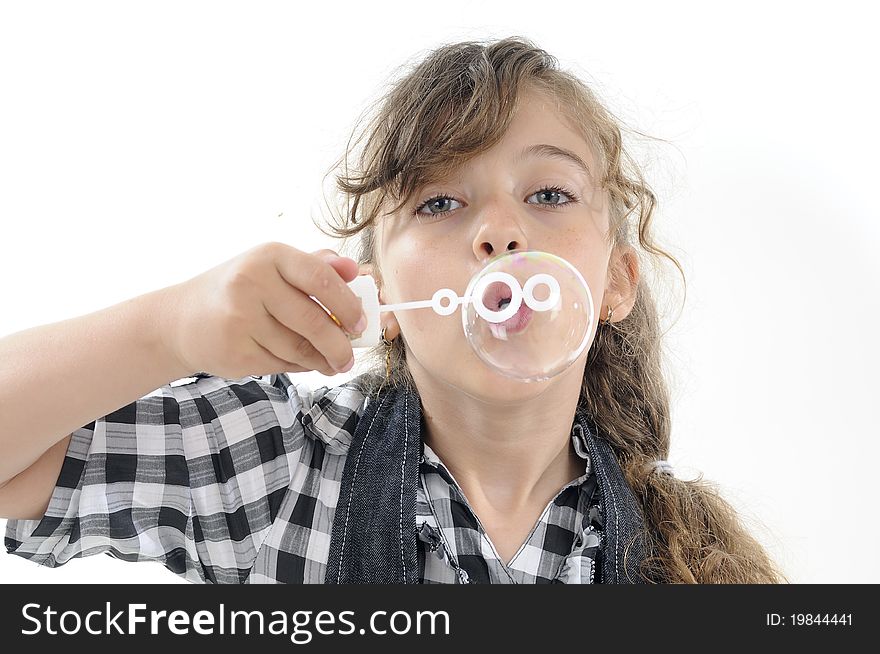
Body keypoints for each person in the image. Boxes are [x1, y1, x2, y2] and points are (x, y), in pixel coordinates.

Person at [0, 36, 787, 584]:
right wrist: (169, 328)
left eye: (548, 193)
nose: (499, 231)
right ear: (382, 298)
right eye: (440, 202)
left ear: (615, 282)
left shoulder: (690, 564)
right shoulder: (276, 467)